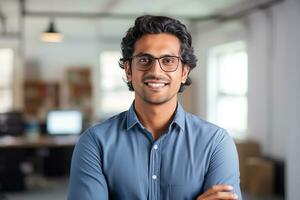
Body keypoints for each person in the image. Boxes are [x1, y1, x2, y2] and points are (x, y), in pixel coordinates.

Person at [68, 15, 242, 200]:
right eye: (144, 60)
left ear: (184, 72)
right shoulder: (95, 143)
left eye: (168, 61)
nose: (156, 71)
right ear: (128, 70)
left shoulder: (215, 143)